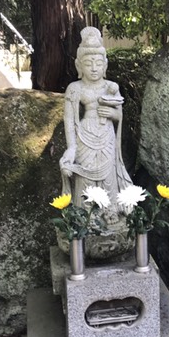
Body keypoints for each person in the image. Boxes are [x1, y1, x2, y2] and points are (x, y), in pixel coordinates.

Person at [60, 27, 132, 216]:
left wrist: (112, 113)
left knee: (108, 177)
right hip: (85, 135)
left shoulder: (111, 87)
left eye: (98, 63)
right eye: (88, 63)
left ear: (105, 65)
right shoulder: (74, 88)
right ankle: (86, 216)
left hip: (106, 134)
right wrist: (71, 147)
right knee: (85, 176)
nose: (93, 68)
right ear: (79, 66)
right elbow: (69, 118)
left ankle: (110, 212)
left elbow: (119, 115)